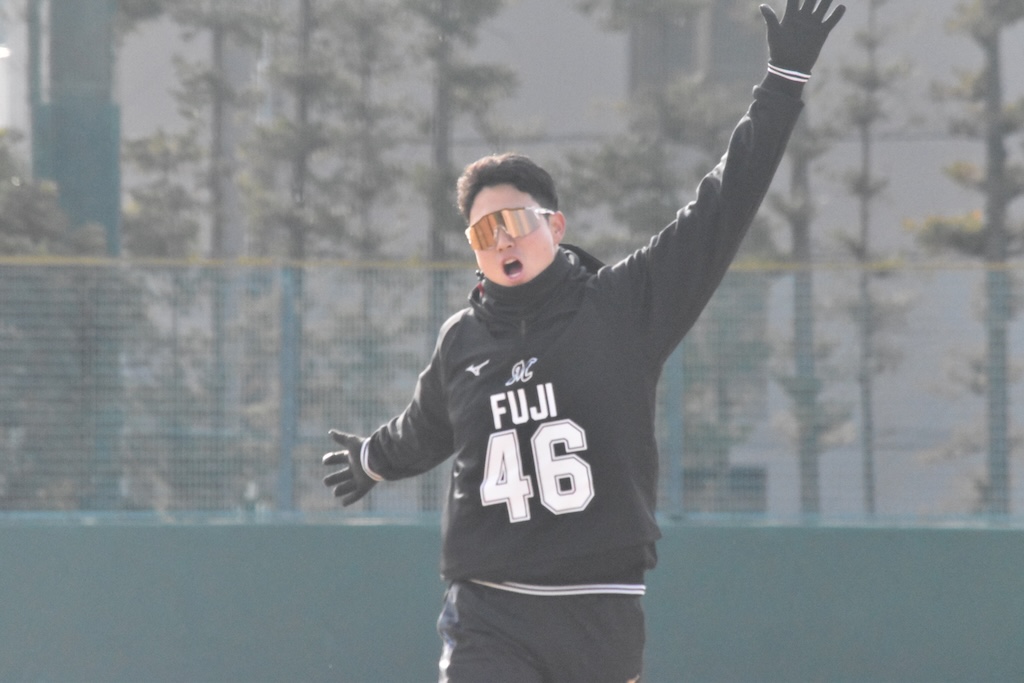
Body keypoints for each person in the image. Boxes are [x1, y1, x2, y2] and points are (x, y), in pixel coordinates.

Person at [323, 1, 845, 681]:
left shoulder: (621, 307)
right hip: (488, 610)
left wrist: (781, 83)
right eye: (483, 232)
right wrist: (371, 459)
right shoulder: (462, 341)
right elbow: (425, 428)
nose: (501, 240)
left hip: (601, 612)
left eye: (514, 221)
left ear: (556, 225)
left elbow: (722, 207)